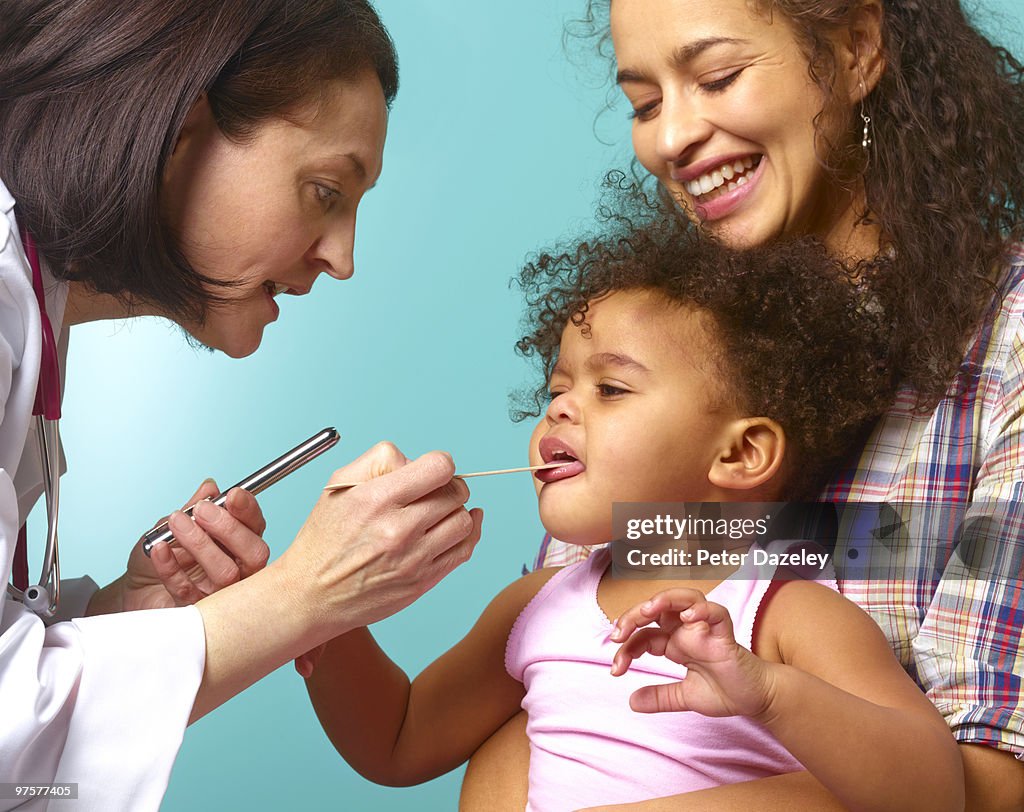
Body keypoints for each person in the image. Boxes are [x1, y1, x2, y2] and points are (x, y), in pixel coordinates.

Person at [462, 2, 1024, 808]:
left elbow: (989, 788)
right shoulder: (650, 347)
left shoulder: (1008, 335)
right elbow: (538, 716)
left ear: (858, 49)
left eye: (717, 77)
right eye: (644, 104)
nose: (668, 138)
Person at [303, 218, 963, 810]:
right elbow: (398, 739)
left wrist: (766, 693)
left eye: (610, 388)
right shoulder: (534, 604)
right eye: (557, 389)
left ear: (741, 453)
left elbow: (935, 790)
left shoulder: (786, 615)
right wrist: (317, 608)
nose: (559, 409)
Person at [0, 2, 482, 809]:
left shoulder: (34, 309)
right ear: (183, 128)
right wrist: (305, 594)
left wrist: (130, 613)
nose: (343, 257)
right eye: (325, 190)